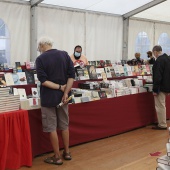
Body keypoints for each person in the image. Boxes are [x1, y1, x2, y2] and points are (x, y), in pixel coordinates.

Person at [36, 37, 75, 165]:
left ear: (42, 45)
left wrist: (59, 87)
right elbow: (71, 76)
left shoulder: (40, 59)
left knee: (51, 127)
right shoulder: (64, 54)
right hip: (63, 98)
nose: (39, 50)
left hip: (48, 98)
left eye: (39, 48)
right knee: (64, 125)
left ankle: (57, 156)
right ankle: (67, 152)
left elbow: (43, 80)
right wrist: (65, 92)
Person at [152, 45, 170, 130]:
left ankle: (162, 124)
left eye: (153, 53)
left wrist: (155, 89)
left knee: (160, 106)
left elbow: (157, 76)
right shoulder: (167, 58)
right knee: (162, 105)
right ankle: (162, 121)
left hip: (161, 87)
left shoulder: (159, 61)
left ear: (155, 52)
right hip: (167, 85)